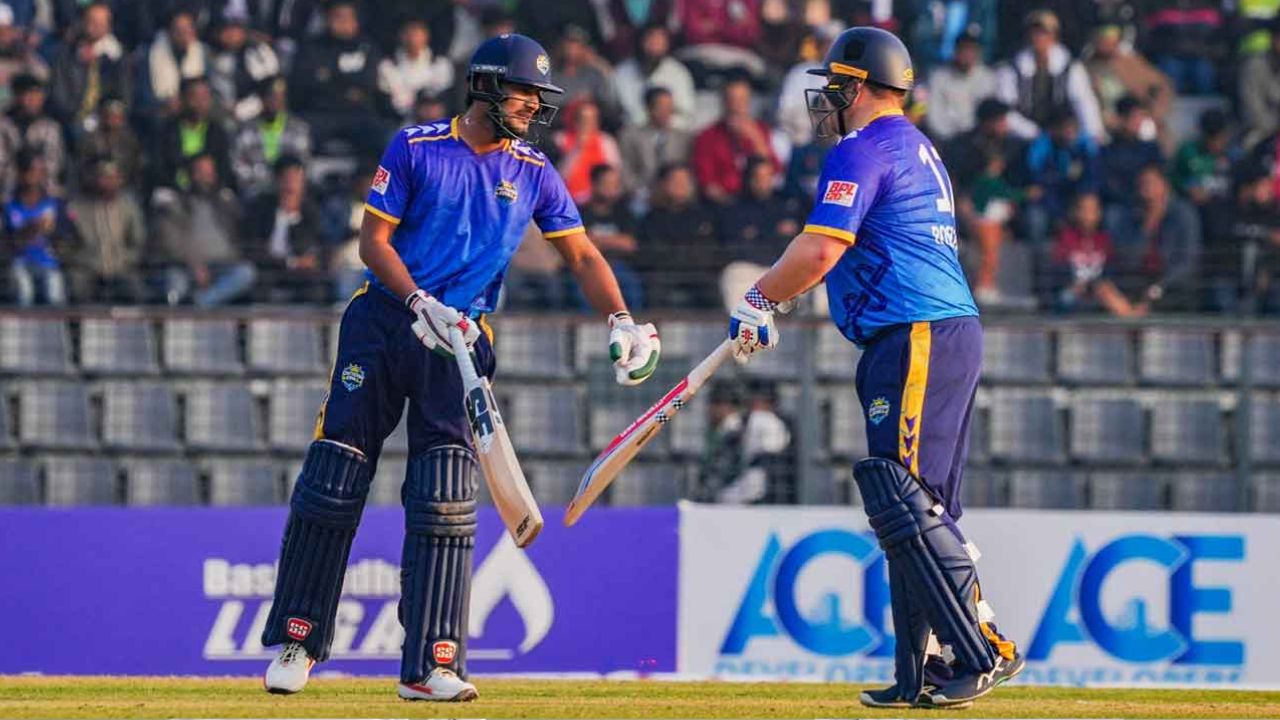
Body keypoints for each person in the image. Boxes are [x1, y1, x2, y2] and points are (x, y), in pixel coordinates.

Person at [258, 33, 661, 702]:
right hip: (385, 322)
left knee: (443, 496)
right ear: (486, 86)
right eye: (524, 92)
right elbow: (372, 242)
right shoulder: (416, 148)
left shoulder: (534, 170)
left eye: (538, 95)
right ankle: (300, 639)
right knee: (335, 477)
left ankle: (431, 664)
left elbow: (584, 255)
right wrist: (417, 300)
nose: (533, 105)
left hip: (462, 339)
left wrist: (621, 318)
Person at [725, 27, 1022, 709]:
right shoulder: (912, 144)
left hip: (917, 332)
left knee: (905, 501)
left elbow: (821, 249)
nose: (826, 100)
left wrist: (759, 297)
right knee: (910, 509)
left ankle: (983, 648)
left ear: (857, 87)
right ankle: (919, 673)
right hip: (926, 332)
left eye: (835, 86)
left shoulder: (862, 148)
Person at [65, 157, 147, 303]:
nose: (108, 182)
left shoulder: (128, 207)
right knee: (77, 287)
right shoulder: (76, 208)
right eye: (104, 177)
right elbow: (67, 244)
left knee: (137, 289)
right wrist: (84, 260)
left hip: (121, 268)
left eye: (113, 178)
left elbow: (138, 241)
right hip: (87, 268)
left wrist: (124, 259)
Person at [691, 74, 781, 205]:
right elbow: (707, 184)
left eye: (742, 100)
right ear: (723, 102)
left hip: (759, 202)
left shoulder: (761, 131)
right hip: (724, 205)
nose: (737, 106)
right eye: (732, 100)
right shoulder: (707, 137)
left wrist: (756, 140)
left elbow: (775, 171)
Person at [1049, 192, 1143, 316]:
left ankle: (1129, 315)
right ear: (1076, 212)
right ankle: (1131, 316)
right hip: (1071, 290)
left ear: (1099, 213)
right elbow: (1058, 268)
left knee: (1105, 290)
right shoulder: (1067, 237)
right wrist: (1073, 282)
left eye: (1092, 210)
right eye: (1084, 209)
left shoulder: (1104, 239)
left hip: (1098, 290)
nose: (1088, 215)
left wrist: (1096, 284)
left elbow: (1111, 268)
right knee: (1067, 297)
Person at [5, 151, 68, 305]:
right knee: (24, 292)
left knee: (55, 294)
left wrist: (54, 235)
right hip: (20, 262)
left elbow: (65, 236)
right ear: (21, 174)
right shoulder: (9, 206)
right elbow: (7, 242)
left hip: (49, 262)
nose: (36, 176)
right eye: (31, 170)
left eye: (40, 171)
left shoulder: (54, 204)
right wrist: (29, 228)